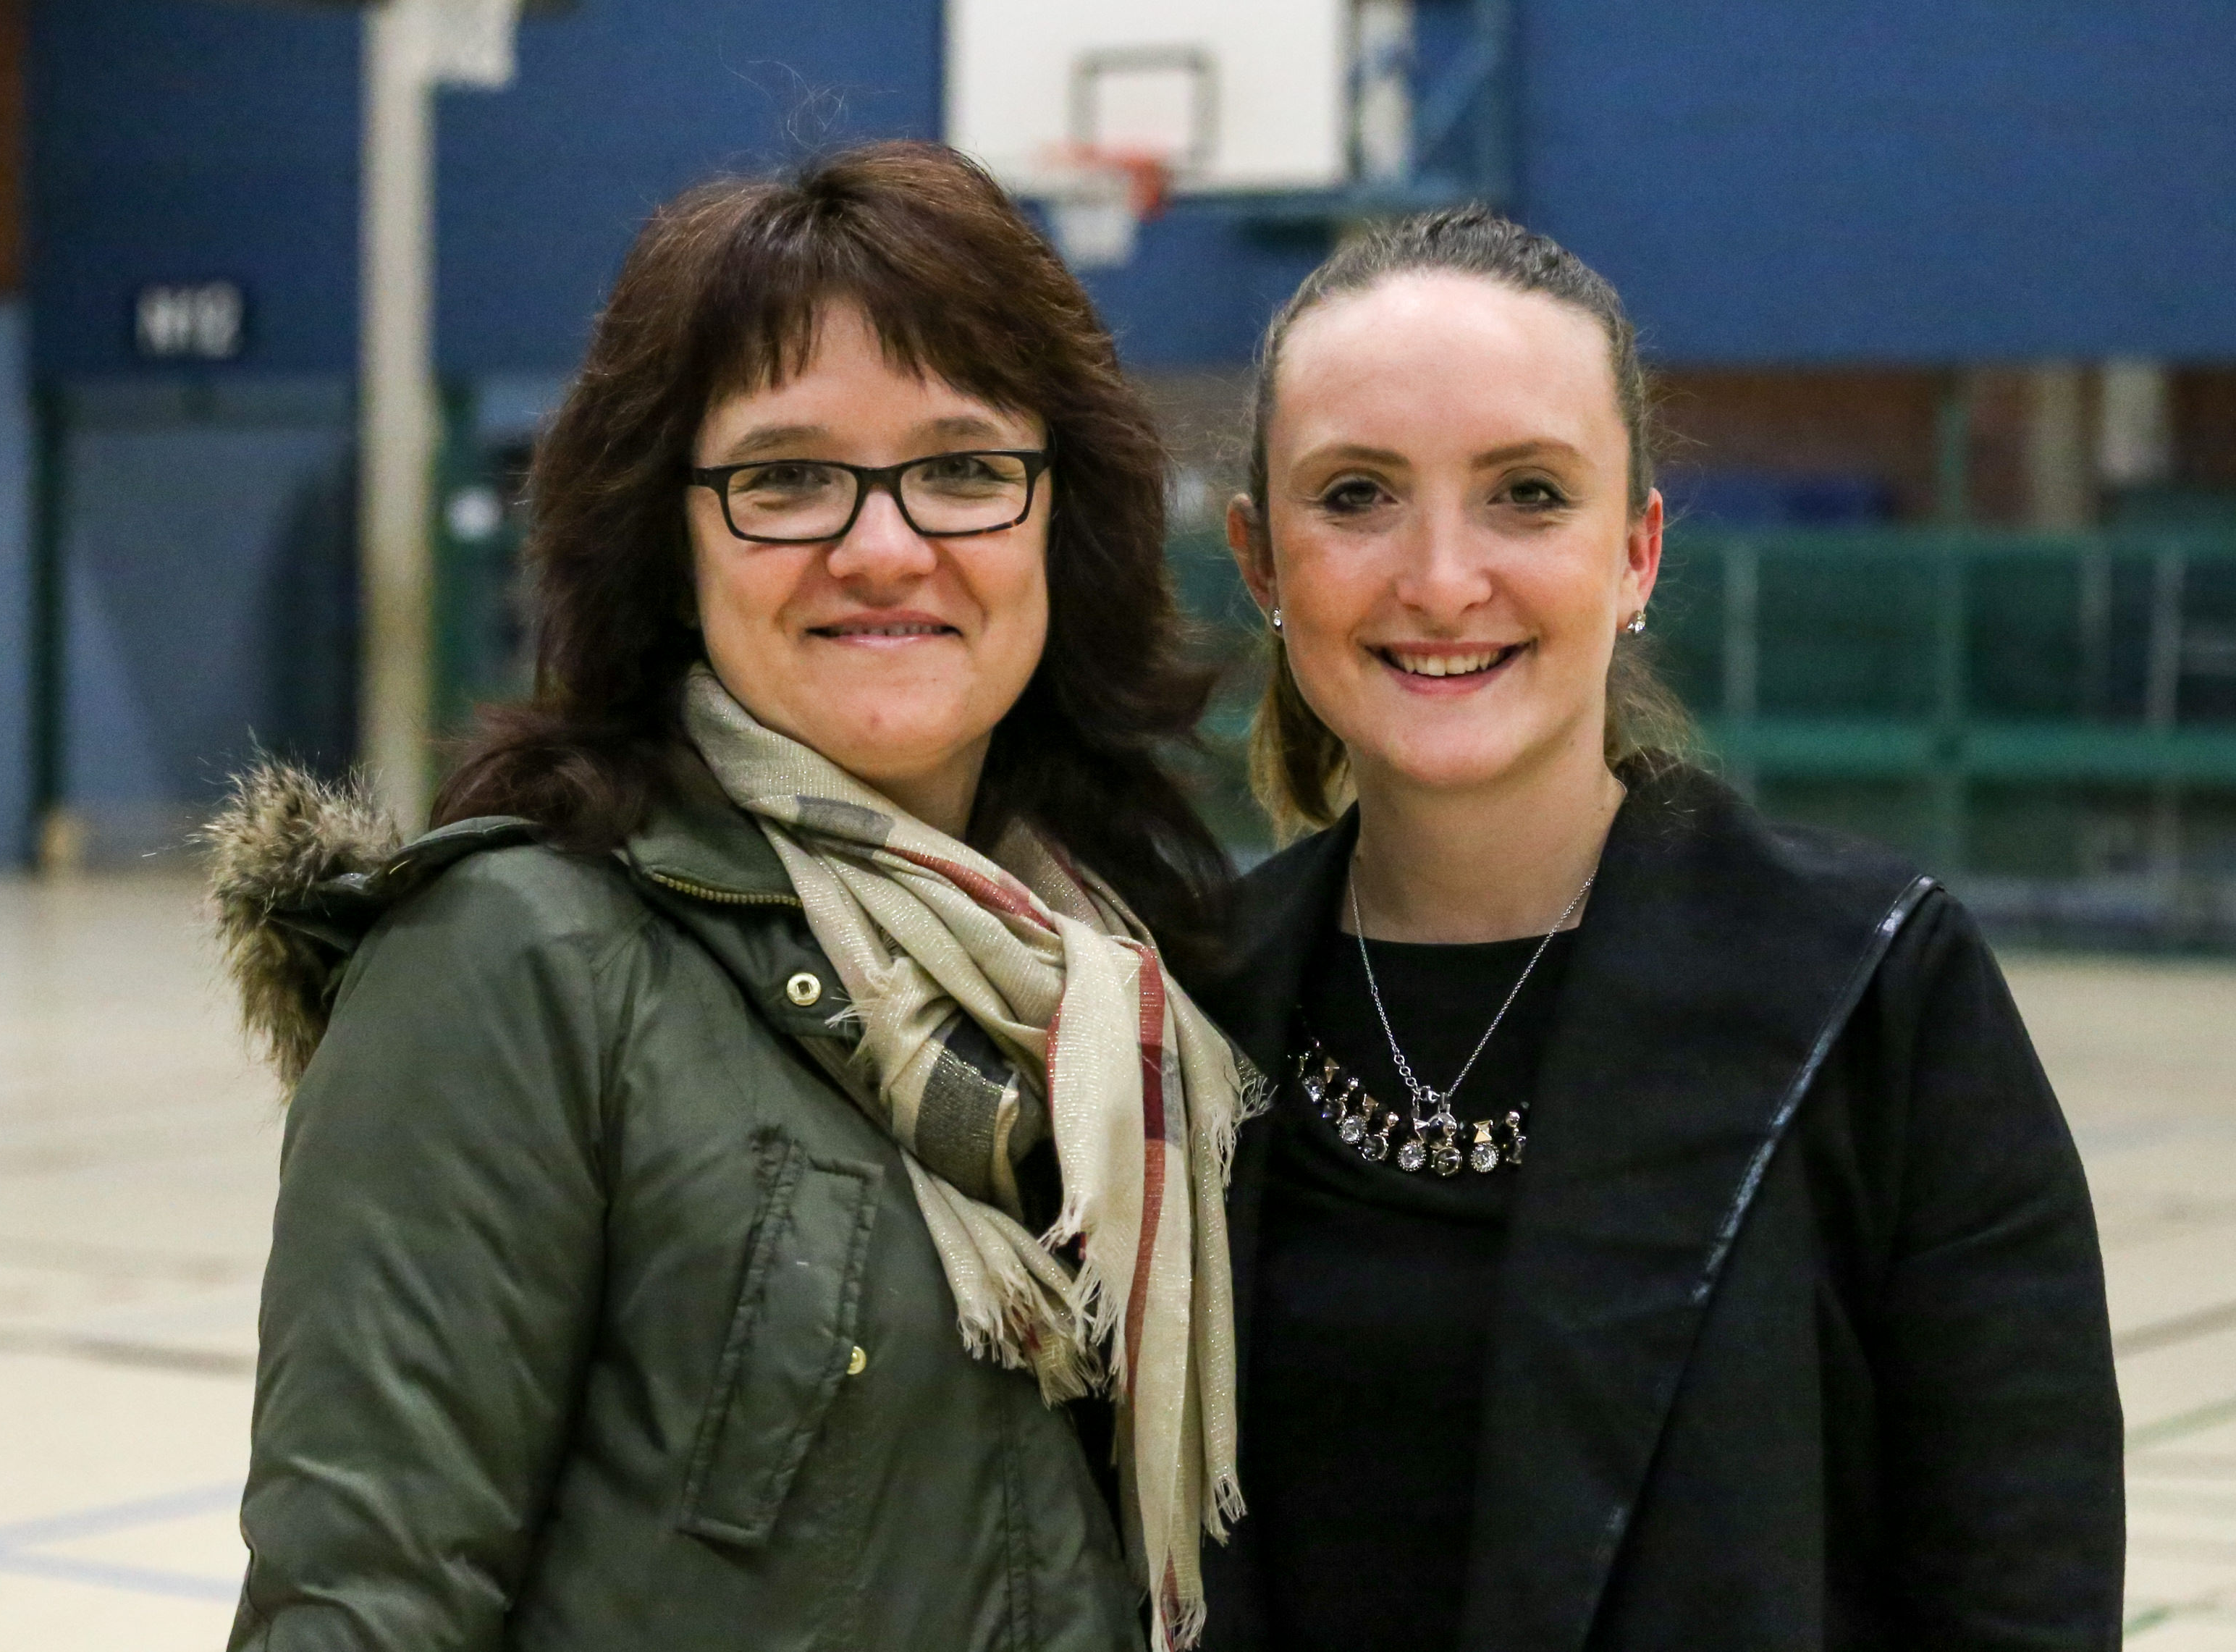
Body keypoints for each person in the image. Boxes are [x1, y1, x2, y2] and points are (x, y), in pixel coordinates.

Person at [205, 141, 1254, 1652]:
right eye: (786, 477)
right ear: (669, 537)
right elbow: (362, 1607)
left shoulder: (1130, 979)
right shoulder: (514, 959)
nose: (883, 547)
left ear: (1057, 520)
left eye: (964, 468)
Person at [1196, 207, 2124, 1651]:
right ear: (1260, 561)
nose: (1440, 577)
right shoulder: (1181, 1007)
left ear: (1634, 553)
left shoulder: (1873, 986)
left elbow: (2023, 1583)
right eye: (1357, 494)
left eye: (1526, 493)